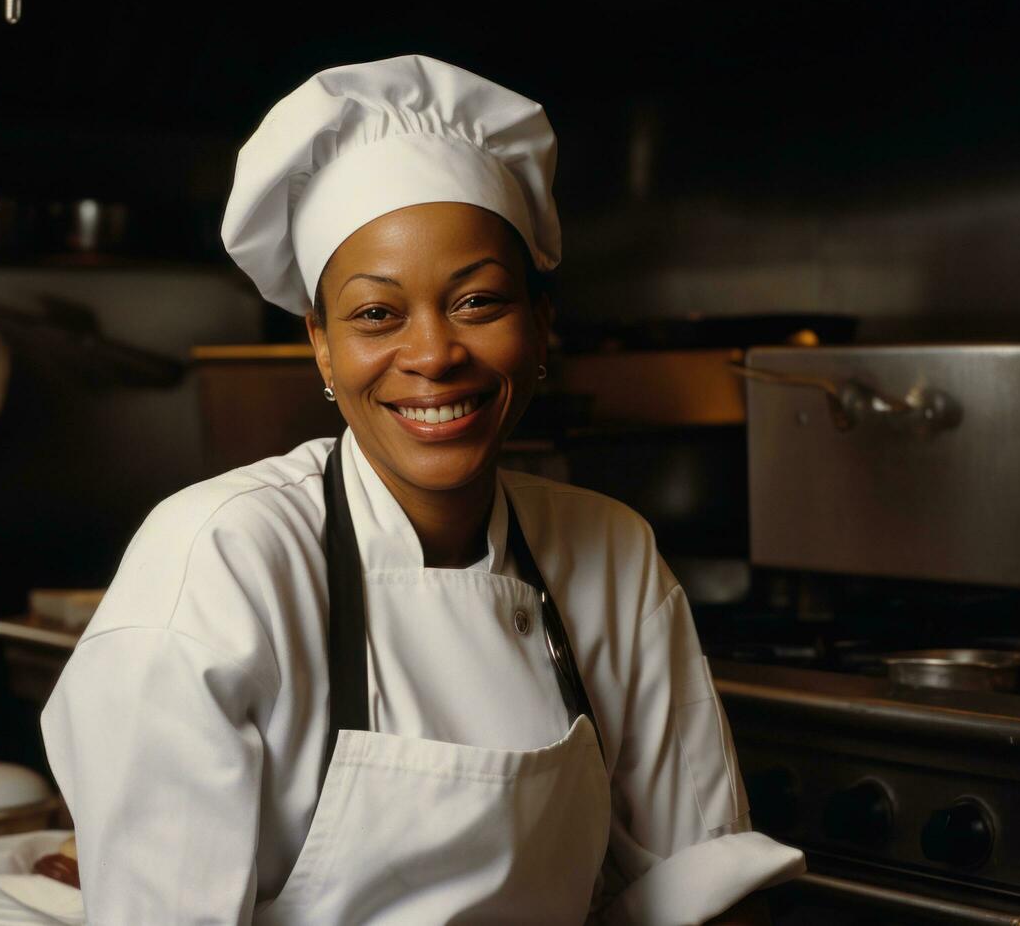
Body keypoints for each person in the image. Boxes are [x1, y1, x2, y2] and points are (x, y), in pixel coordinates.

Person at [41, 54, 804, 924]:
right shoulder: (221, 559)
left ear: (541, 326)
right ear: (321, 346)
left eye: (477, 302)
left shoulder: (612, 551)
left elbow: (696, 882)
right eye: (376, 314)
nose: (434, 353)